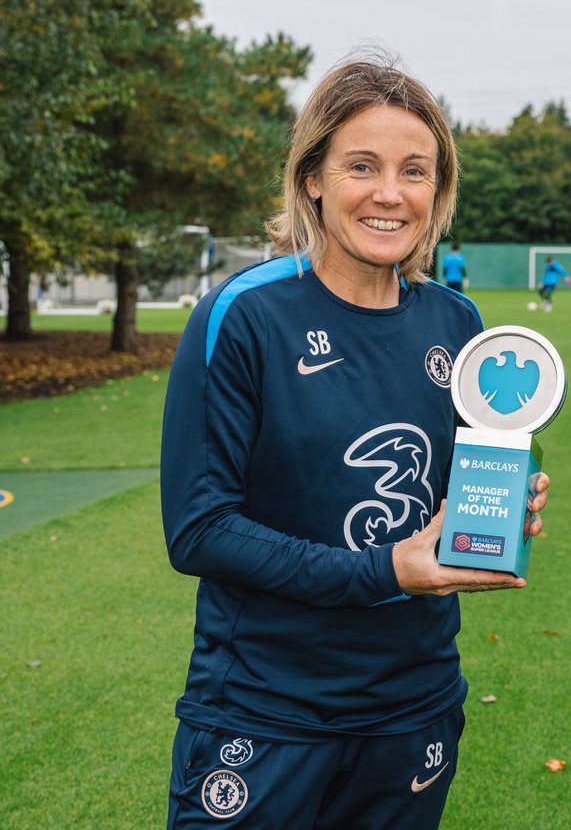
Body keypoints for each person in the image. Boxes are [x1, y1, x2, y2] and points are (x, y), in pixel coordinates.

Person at [160, 57, 550, 829]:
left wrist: (502, 509)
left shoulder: (457, 324)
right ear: (312, 177)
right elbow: (199, 529)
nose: (390, 193)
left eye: (415, 171)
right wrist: (386, 569)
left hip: (415, 708)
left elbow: (457, 498)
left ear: (438, 190)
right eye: (362, 166)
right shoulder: (243, 314)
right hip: (265, 711)